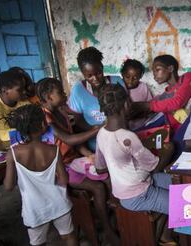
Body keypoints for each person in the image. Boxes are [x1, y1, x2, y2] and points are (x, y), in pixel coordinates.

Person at [37, 77, 119, 245]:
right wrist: (98, 129)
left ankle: (118, 220)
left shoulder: (61, 111)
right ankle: (108, 230)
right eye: (60, 91)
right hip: (61, 168)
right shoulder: (45, 118)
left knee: (109, 175)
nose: (64, 93)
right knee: (97, 187)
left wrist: (88, 153)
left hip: (74, 161)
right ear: (48, 97)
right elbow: (69, 139)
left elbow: (76, 141)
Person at [94, 83, 176, 244]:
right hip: (138, 195)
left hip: (130, 188)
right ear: (126, 105)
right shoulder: (127, 137)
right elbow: (153, 166)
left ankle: (162, 236)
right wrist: (168, 150)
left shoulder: (101, 134)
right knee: (181, 205)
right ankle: (159, 237)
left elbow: (100, 168)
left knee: (177, 184)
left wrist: (120, 162)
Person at [3, 104, 77, 246]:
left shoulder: (13, 153)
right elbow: (64, 179)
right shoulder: (53, 150)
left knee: (38, 243)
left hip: (34, 208)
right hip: (58, 203)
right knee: (69, 236)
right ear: (43, 124)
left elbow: (8, 186)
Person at [68, 47, 125, 151]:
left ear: (102, 67)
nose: (96, 79)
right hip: (96, 142)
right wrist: (97, 130)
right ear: (82, 73)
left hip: (121, 136)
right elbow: (79, 121)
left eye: (98, 73)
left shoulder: (116, 82)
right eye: (89, 76)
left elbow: (126, 109)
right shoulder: (78, 90)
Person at [131, 55, 191, 133]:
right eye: (153, 72)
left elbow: (177, 102)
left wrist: (147, 105)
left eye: (157, 70)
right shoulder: (165, 95)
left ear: (170, 69)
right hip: (176, 131)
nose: (154, 76)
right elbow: (157, 104)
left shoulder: (187, 77)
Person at [0, 70, 30, 145]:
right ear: (5, 91)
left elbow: (36, 120)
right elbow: (2, 135)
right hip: (5, 148)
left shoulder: (23, 102)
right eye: (20, 90)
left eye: (24, 88)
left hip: (26, 143)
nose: (24, 92)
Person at [120, 59, 153, 129]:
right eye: (127, 77)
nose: (130, 81)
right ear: (122, 74)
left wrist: (138, 115)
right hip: (123, 128)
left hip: (141, 126)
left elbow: (150, 107)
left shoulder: (143, 87)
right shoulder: (118, 87)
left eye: (135, 78)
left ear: (140, 77)